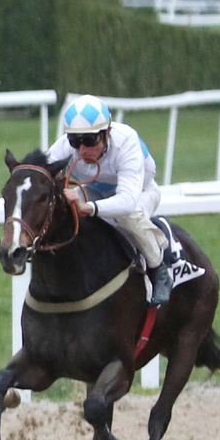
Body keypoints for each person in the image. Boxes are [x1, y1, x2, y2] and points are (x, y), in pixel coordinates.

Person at [45, 94, 172, 306]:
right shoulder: (67, 147)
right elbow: (41, 172)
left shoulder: (126, 141)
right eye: (76, 141)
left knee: (126, 217)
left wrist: (91, 208)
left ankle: (159, 269)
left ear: (106, 133)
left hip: (140, 192)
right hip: (95, 191)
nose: (83, 149)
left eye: (89, 140)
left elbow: (127, 200)